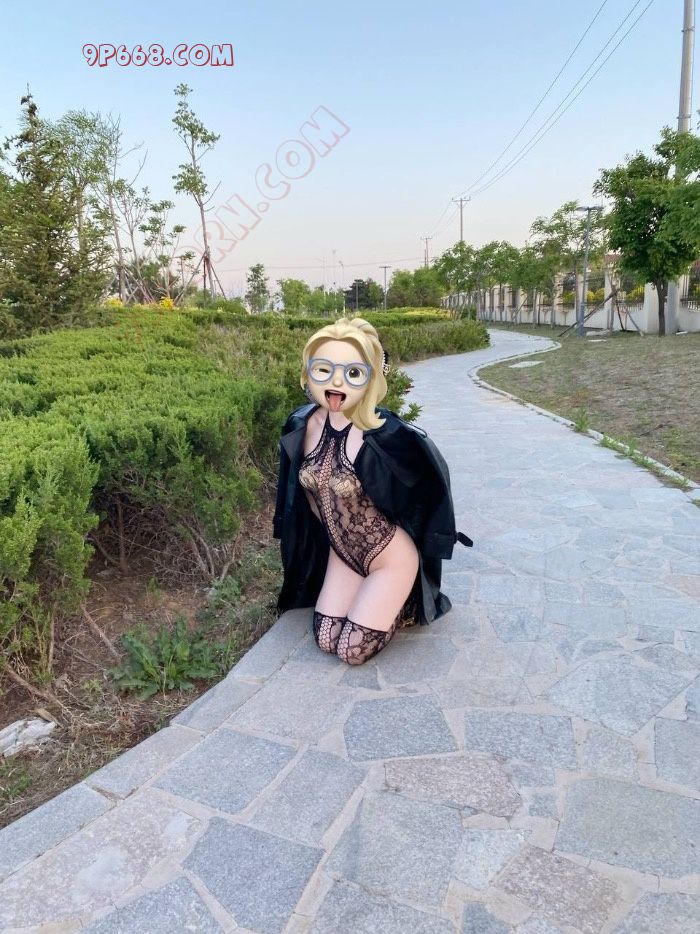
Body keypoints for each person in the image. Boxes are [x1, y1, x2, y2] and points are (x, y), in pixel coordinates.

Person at [273, 317, 472, 665]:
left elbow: (429, 486)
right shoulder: (300, 425)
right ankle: (373, 599)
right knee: (326, 639)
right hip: (342, 555)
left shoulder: (383, 433)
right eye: (324, 369)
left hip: (389, 557)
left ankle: (403, 600)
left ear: (371, 377)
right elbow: (293, 494)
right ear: (308, 372)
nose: (336, 381)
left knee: (351, 651)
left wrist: (435, 539)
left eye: (352, 372)